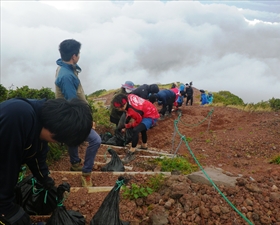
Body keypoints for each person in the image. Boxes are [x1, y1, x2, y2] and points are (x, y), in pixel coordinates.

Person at [0, 97, 92, 225]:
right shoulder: (17, 116)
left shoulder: (40, 123)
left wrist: (45, 180)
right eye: (60, 140)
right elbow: (6, 166)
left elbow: (37, 156)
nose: (57, 142)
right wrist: (6, 207)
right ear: (56, 129)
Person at [54, 39, 101, 187]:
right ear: (74, 56)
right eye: (78, 53)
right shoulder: (67, 76)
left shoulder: (66, 67)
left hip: (67, 114)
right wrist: (86, 121)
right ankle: (86, 173)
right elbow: (73, 104)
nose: (79, 56)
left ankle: (75, 163)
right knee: (96, 140)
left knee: (72, 138)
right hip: (71, 116)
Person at [111, 93, 160, 164]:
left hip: (151, 116)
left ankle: (132, 151)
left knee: (136, 130)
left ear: (125, 104)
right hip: (147, 109)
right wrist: (126, 123)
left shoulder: (133, 111)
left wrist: (127, 126)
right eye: (118, 108)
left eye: (121, 107)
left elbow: (137, 123)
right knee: (142, 129)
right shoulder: (129, 96)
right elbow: (129, 112)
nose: (120, 109)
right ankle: (144, 145)